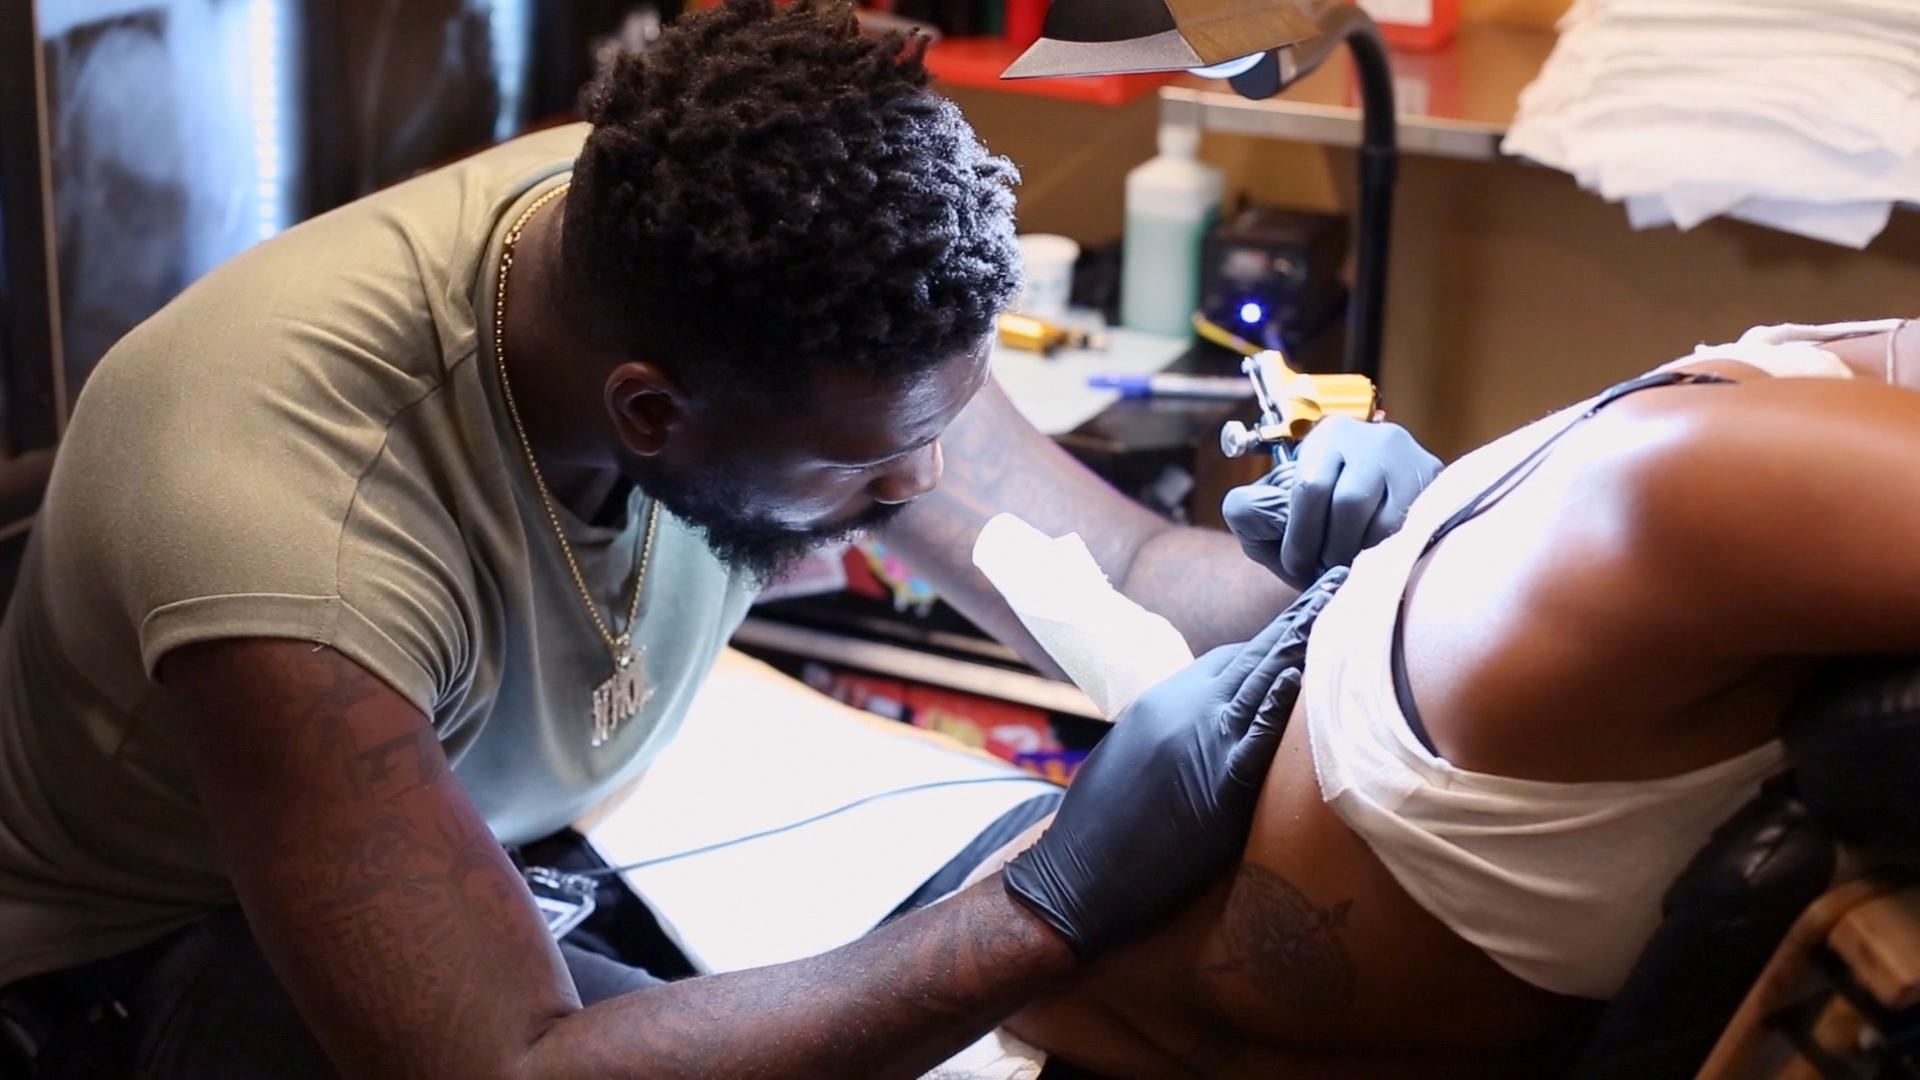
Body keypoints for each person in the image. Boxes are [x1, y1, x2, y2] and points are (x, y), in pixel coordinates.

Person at [0, 2, 1440, 1076]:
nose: (928, 484)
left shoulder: (767, 243)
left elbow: (1123, 576)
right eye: (869, 465)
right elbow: (512, 1067)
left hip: (536, 804)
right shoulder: (290, 532)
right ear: (651, 410)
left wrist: (1395, 555)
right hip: (158, 955)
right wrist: (1043, 904)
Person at [982, 319, 1920, 1079]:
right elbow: (1111, 556)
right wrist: (1043, 907)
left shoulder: (1754, 448)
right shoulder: (1718, 460)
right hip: (990, 1012)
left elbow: (1128, 561)